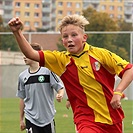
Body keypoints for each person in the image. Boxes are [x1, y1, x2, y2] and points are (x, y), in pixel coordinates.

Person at [8, 14, 133, 133]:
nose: (69, 40)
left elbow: (129, 70)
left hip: (113, 118)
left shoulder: (101, 54)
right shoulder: (61, 60)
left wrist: (118, 92)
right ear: (62, 41)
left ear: (84, 37)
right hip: (85, 119)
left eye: (74, 35)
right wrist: (17, 32)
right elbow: (31, 54)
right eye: (65, 36)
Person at [16, 43, 65, 133]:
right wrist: (21, 119)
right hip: (30, 117)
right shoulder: (22, 76)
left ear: (34, 54)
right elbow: (22, 98)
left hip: (48, 117)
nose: (24, 57)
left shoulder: (48, 71)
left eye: (26, 54)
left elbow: (60, 87)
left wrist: (60, 94)